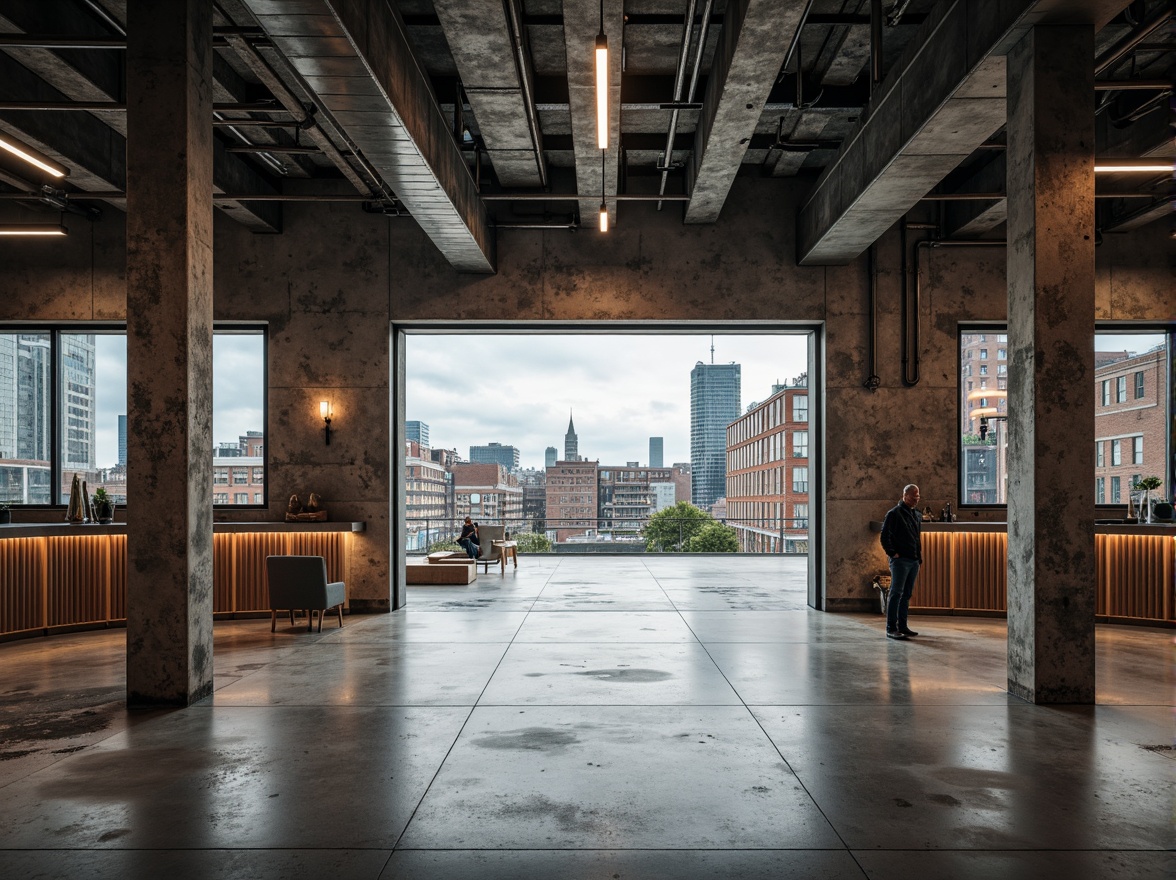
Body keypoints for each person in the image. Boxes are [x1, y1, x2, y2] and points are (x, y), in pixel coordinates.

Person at [880, 483, 922, 640]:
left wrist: (918, 557)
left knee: (906, 594)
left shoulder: (916, 514)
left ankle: (903, 626)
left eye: (918, 497)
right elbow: (885, 536)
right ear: (905, 496)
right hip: (900, 561)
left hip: (913, 560)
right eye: (913, 497)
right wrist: (892, 553)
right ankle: (891, 628)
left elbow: (917, 538)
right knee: (896, 593)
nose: (916, 500)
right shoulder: (894, 514)